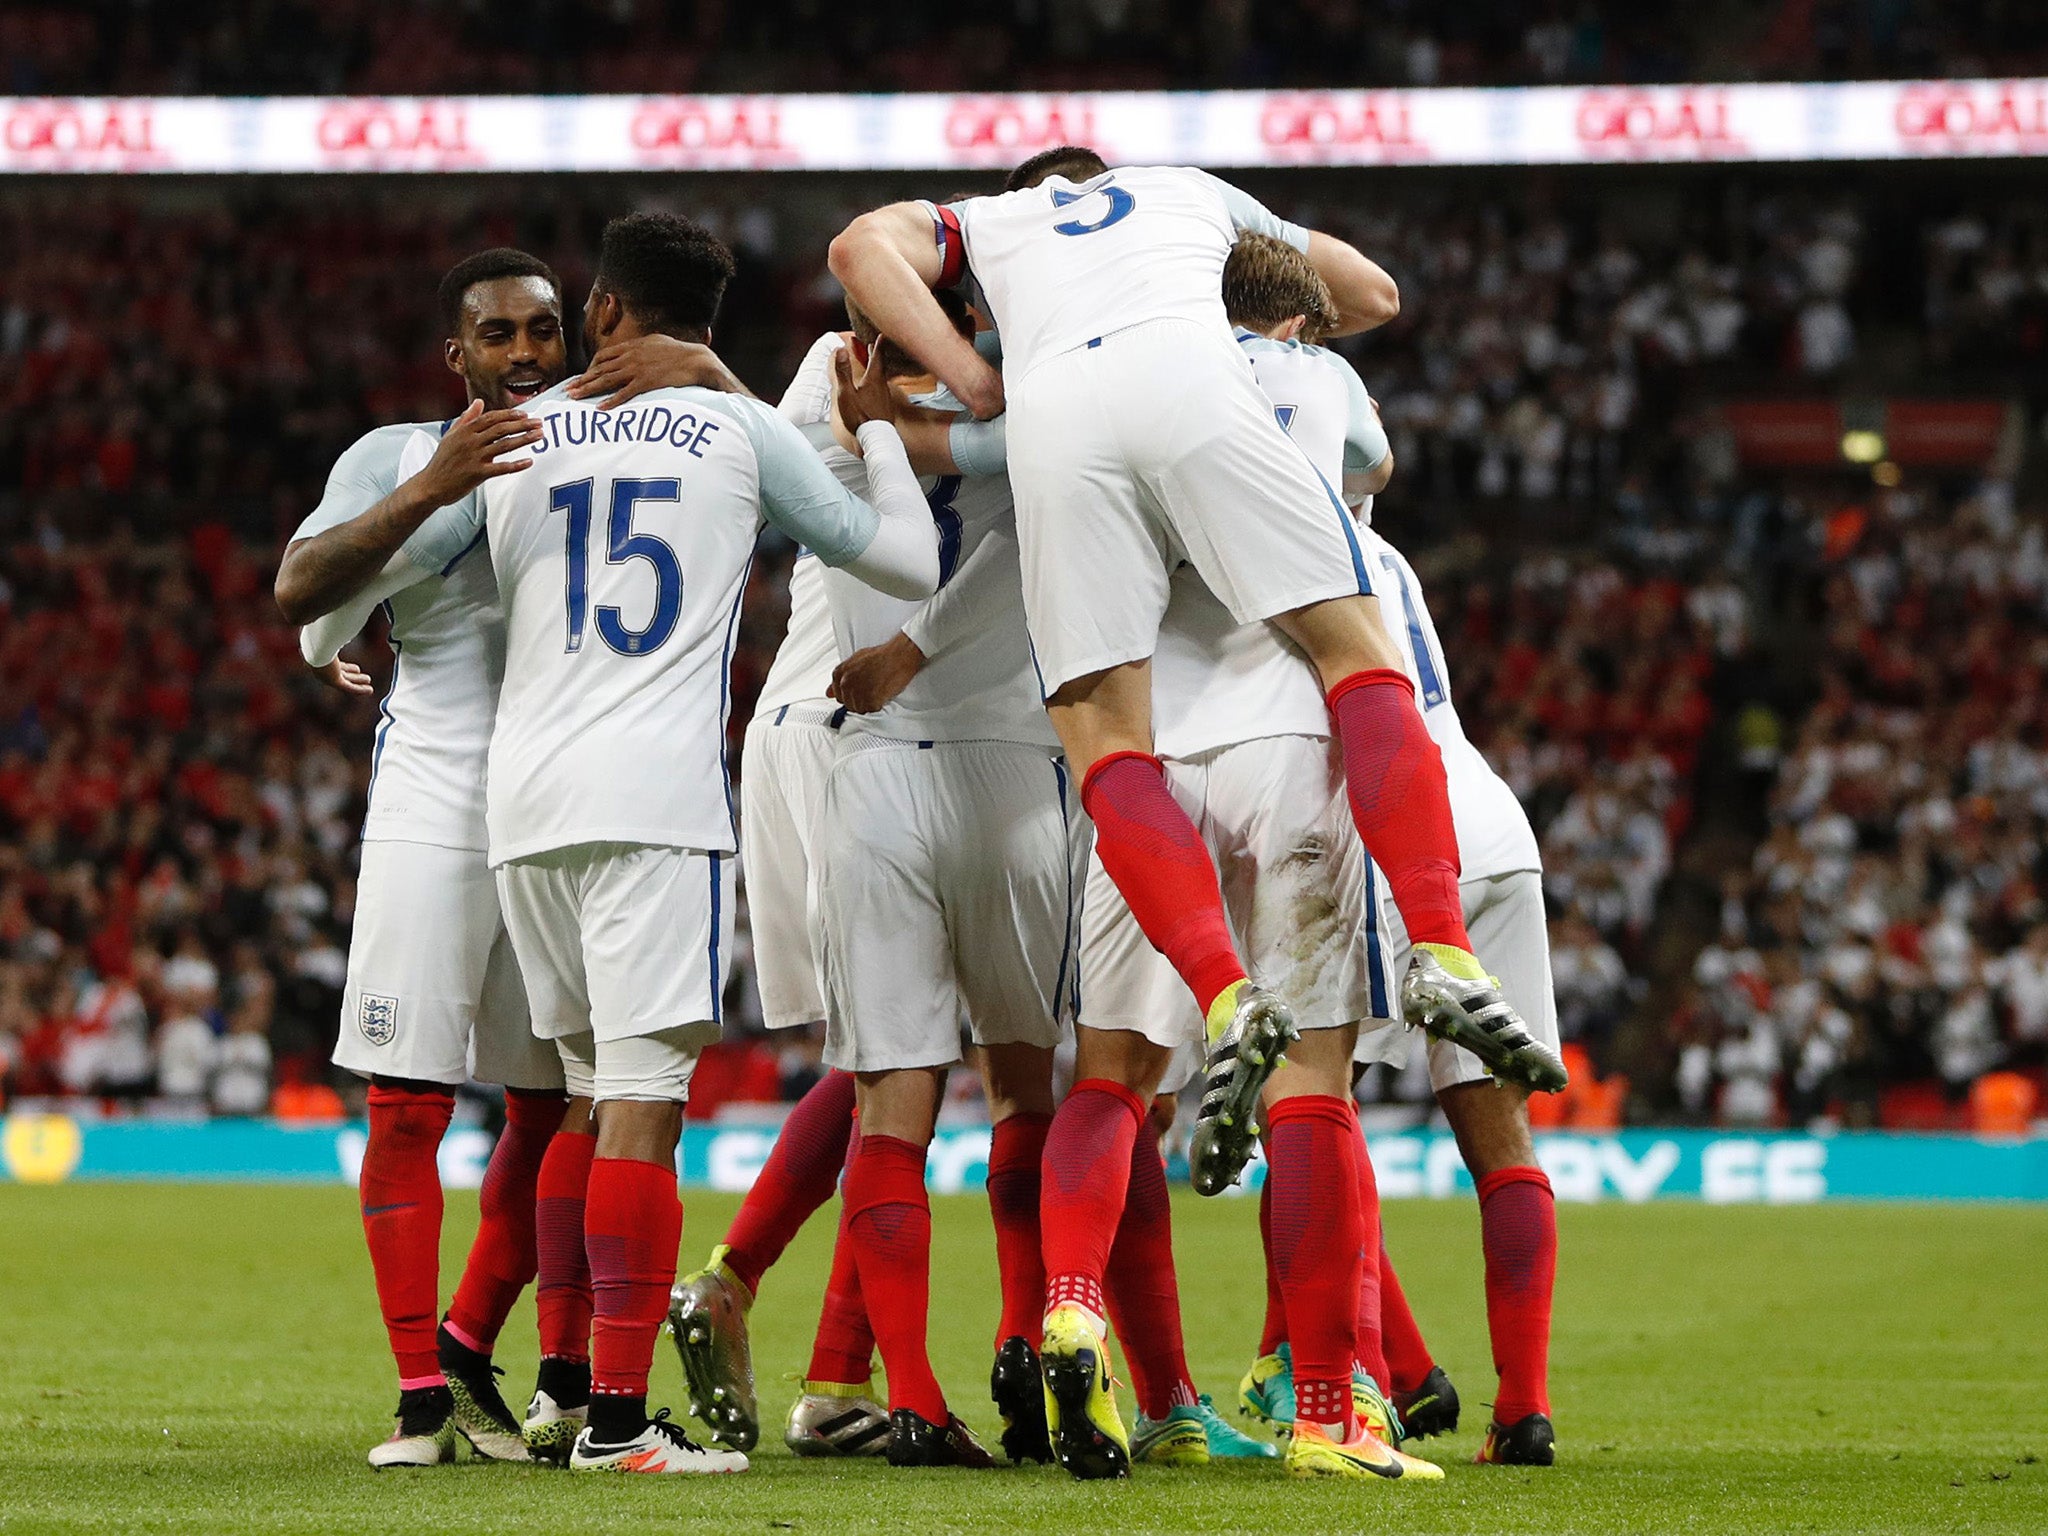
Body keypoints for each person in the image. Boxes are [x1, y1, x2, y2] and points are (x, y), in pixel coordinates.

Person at [326, 212, 943, 1474]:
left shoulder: (513, 435)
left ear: (601, 310)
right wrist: (876, 427)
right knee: (633, 1110)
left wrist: (337, 629)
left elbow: (368, 574)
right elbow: (901, 558)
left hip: (520, 811)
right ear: (709, 325)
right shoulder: (734, 424)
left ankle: (559, 1394)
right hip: (654, 805)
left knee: (577, 1098)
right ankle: (612, 1414)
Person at [1058, 234, 1438, 1483]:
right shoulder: (1314, 381)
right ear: (1301, 324)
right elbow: (1377, 467)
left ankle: (1073, 1306)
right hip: (1287, 730)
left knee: (1110, 1082)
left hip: (1144, 755)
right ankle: (1329, 1409)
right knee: (1310, 1087)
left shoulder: (1116, 381)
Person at [1221, 234, 1561, 1469]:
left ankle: (1366, 1375)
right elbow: (1372, 457)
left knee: (1310, 1108)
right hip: (1485, 818)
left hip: (1376, 823)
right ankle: (1516, 1404)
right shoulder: (1387, 552)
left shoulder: (1253, 551)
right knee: (1496, 1138)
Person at [279, 249, 573, 1470]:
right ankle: (416, 1397)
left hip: (567, 797)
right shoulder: (389, 453)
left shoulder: (608, 441)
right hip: (435, 797)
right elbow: (299, 587)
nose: (523, 354)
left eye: (544, 331)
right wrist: (430, 490)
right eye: (496, 335)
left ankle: (492, 1353)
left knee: (560, 1106)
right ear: (455, 356)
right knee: (407, 1100)